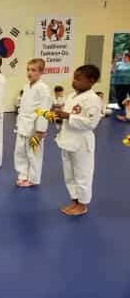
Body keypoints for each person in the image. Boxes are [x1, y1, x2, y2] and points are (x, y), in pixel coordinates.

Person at [54, 65, 102, 216]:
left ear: (91, 81)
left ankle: (82, 205)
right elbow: (66, 117)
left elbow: (91, 123)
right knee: (69, 174)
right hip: (67, 140)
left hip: (81, 143)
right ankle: (74, 200)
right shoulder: (71, 96)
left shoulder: (93, 99)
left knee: (82, 174)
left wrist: (68, 116)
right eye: (74, 78)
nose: (74, 82)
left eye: (78, 79)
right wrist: (58, 118)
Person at [14, 58, 53, 187]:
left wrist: (40, 130)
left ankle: (33, 178)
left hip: (35, 126)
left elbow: (44, 110)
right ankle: (23, 175)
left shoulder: (43, 89)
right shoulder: (26, 86)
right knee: (20, 152)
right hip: (23, 124)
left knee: (33, 154)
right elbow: (24, 107)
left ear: (41, 72)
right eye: (28, 70)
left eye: (33, 70)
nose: (30, 73)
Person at [112, 53, 130, 121]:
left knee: (128, 100)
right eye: (123, 57)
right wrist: (115, 61)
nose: (124, 58)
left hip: (128, 83)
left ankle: (127, 115)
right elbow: (113, 71)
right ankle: (124, 113)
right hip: (119, 83)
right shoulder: (118, 63)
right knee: (120, 99)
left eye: (126, 57)